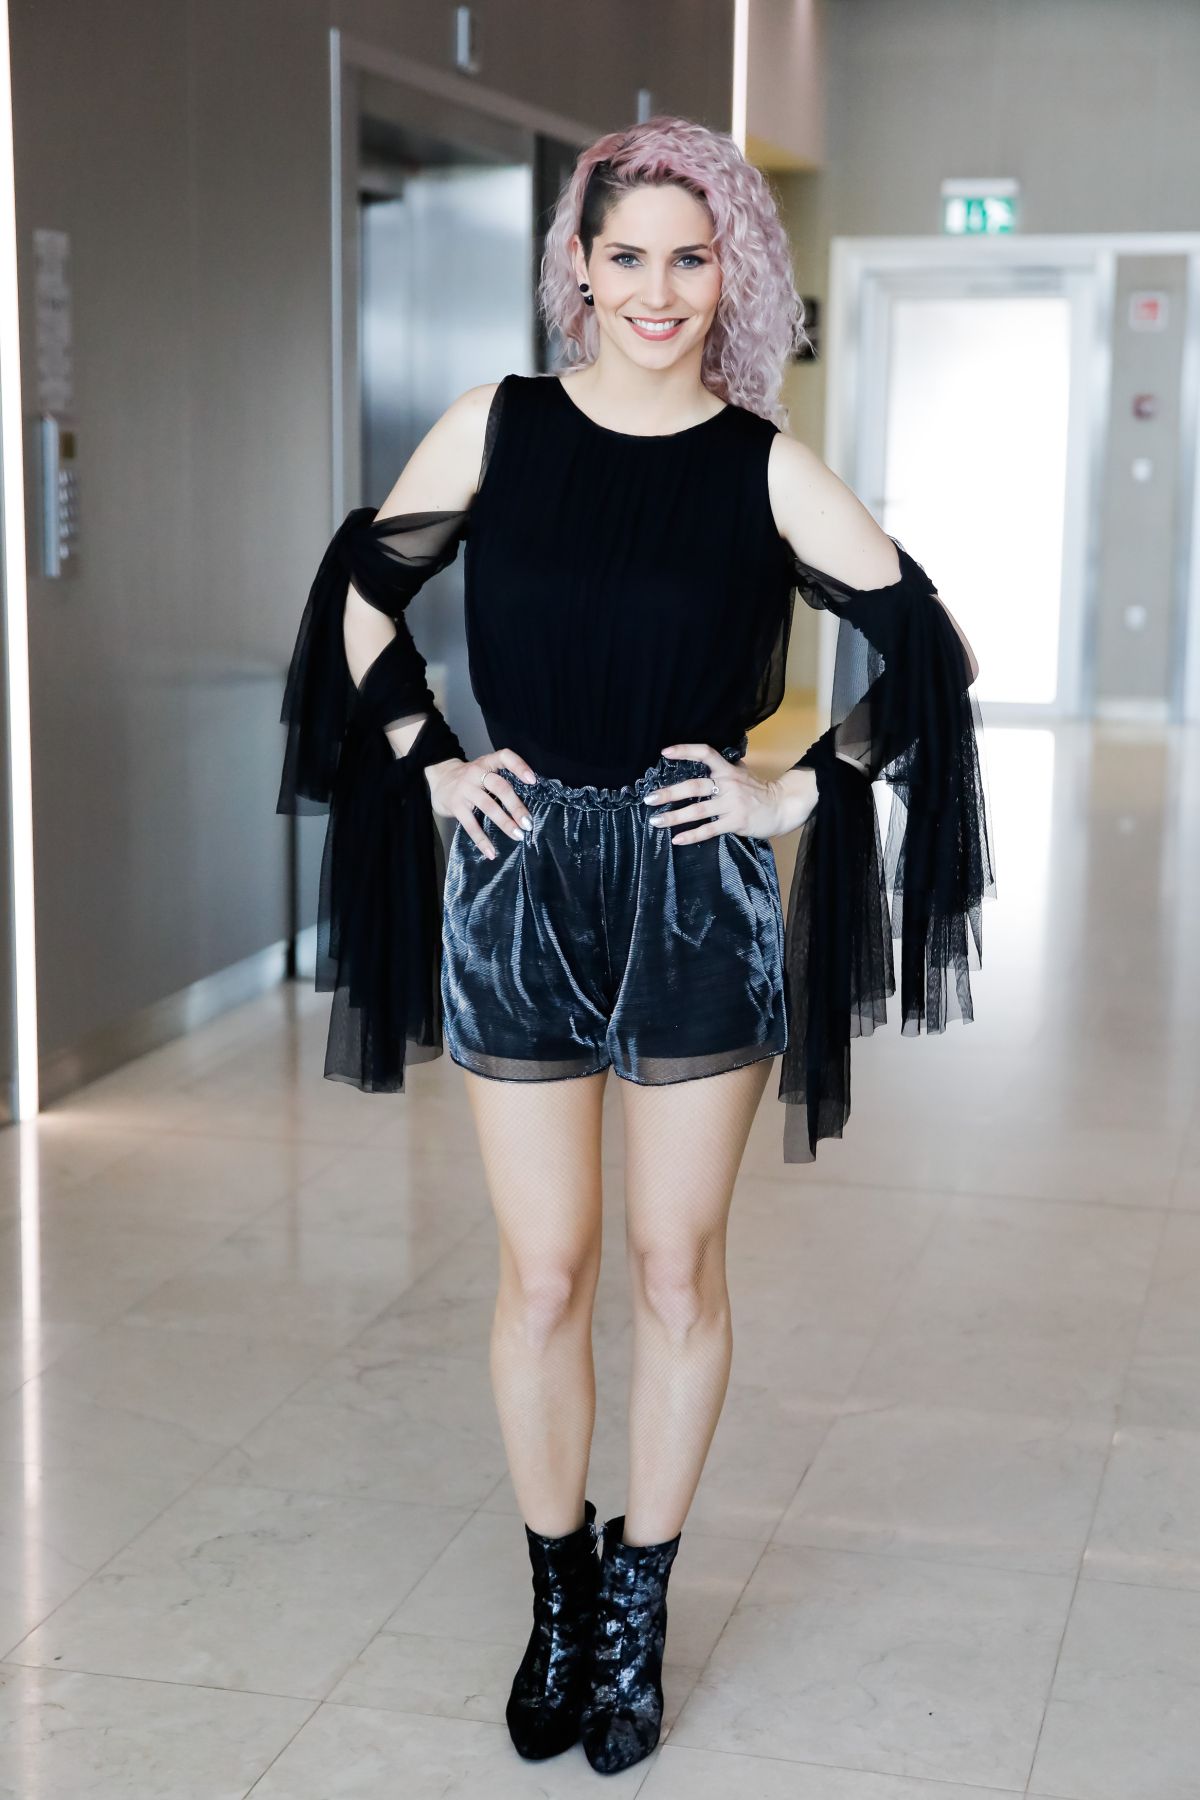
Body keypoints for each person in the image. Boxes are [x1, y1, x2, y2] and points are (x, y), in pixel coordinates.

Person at [276, 116, 994, 1777]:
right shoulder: (499, 428)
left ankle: (637, 1612)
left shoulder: (761, 464)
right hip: (518, 882)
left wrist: (798, 788)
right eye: (628, 257)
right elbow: (362, 598)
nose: (659, 290)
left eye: (692, 257)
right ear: (579, 272)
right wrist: (430, 758)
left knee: (677, 1272)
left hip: (693, 892)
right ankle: (557, 1597)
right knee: (545, 1274)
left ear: (729, 273)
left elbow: (930, 649)